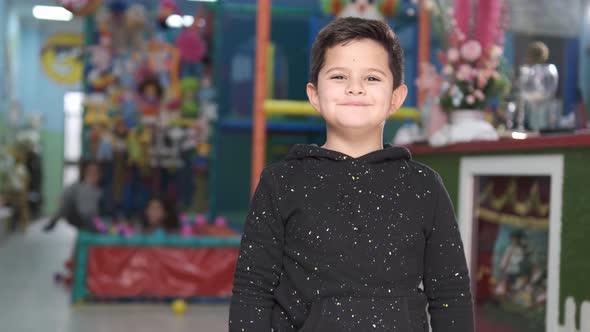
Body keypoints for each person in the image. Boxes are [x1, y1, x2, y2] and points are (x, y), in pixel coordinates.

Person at [229, 17, 474, 331]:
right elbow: (252, 290)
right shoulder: (281, 182)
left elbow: (450, 294)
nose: (355, 87)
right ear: (314, 94)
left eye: (372, 78)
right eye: (339, 76)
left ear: (396, 98)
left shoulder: (424, 186)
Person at [43, 161, 102, 232]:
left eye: (95, 172)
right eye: (90, 172)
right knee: (68, 201)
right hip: (78, 216)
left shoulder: (100, 191)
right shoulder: (77, 186)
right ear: (85, 173)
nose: (93, 174)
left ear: (99, 175)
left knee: (91, 217)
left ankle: (94, 225)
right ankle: (52, 222)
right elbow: (63, 197)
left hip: (93, 218)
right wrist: (62, 198)